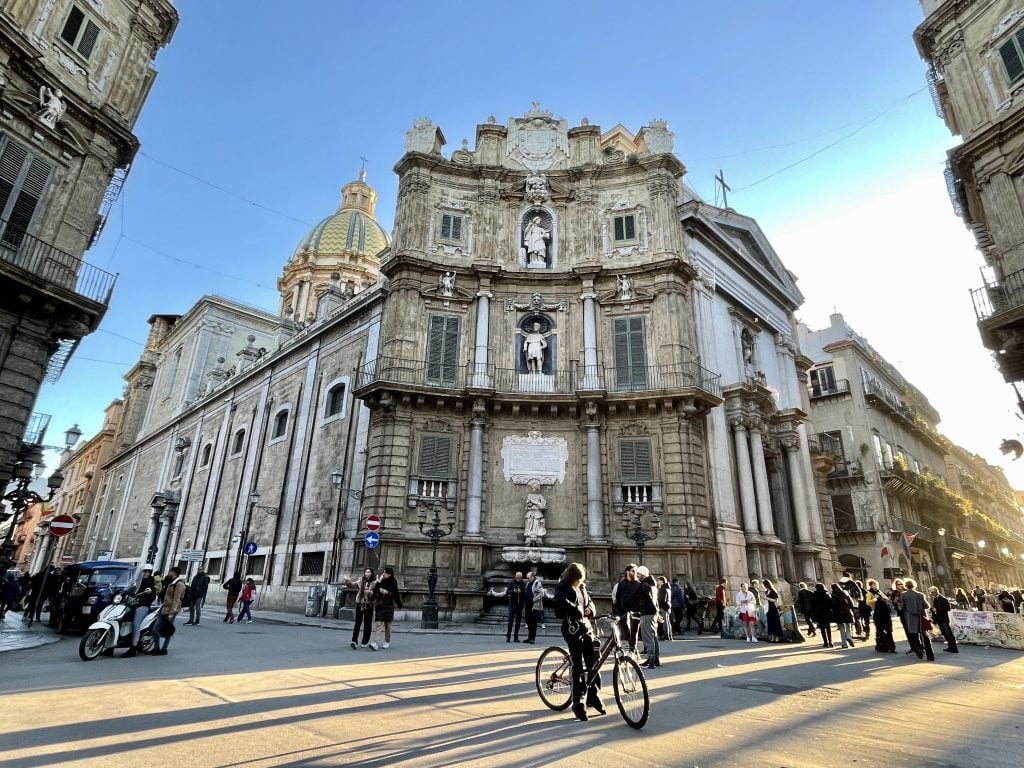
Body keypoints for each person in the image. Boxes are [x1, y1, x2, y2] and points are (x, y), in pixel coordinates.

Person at [552, 562, 603, 721]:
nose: (579, 582)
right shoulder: (562, 587)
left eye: (581, 580)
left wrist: (590, 609)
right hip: (571, 628)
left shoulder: (581, 587)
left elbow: (589, 602)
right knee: (578, 667)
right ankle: (578, 702)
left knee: (593, 663)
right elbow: (558, 604)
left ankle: (593, 696)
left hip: (586, 627)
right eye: (577, 580)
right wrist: (576, 609)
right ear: (572, 577)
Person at [121, 565, 156, 658]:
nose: (146, 573)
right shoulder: (137, 582)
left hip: (143, 606)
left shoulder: (150, 584)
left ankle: (133, 647)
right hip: (131, 605)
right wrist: (121, 592)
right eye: (145, 571)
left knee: (136, 624)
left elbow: (152, 596)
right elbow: (129, 591)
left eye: (148, 572)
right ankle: (110, 647)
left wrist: (142, 600)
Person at [150, 567, 185, 656]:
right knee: (155, 628)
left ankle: (164, 649)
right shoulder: (170, 582)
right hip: (164, 608)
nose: (169, 573)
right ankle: (156, 648)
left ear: (174, 573)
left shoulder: (179, 584)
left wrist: (172, 613)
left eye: (170, 571)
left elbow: (177, 599)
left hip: (170, 610)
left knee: (168, 629)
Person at [368, 566, 402, 651]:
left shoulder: (393, 581)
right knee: (379, 624)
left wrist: (387, 593)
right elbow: (375, 591)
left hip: (389, 606)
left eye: (385, 572)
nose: (383, 573)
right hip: (380, 605)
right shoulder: (381, 580)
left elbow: (395, 594)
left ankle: (387, 641)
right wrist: (379, 582)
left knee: (388, 625)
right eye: (383, 572)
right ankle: (375, 642)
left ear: (389, 574)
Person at [901, 578, 934, 661]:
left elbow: (902, 607)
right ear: (914, 585)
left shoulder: (903, 595)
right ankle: (930, 655)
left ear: (906, 586)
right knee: (925, 636)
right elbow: (927, 606)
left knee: (914, 636)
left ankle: (919, 652)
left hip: (910, 618)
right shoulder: (920, 595)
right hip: (920, 617)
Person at [612, 564, 642, 650]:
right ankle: (625, 650)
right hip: (623, 612)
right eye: (633, 571)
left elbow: (640, 598)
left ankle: (632, 649)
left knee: (634, 632)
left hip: (635, 612)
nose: (635, 573)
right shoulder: (621, 584)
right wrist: (619, 611)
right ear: (627, 572)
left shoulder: (638, 584)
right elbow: (618, 598)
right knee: (624, 632)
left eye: (636, 571)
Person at [347, 567, 376, 649]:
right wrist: (348, 582)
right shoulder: (360, 581)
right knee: (357, 622)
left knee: (367, 623)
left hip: (369, 604)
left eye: (368, 572)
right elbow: (352, 585)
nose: (366, 573)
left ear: (371, 574)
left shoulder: (374, 583)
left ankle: (365, 641)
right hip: (360, 603)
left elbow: (377, 593)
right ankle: (354, 641)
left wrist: (370, 592)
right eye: (365, 572)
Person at [867, 579, 896, 653]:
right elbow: (867, 602)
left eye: (875, 584)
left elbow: (887, 599)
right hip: (878, 613)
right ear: (870, 585)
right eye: (872, 584)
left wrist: (885, 599)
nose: (874, 586)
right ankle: (882, 646)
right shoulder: (869, 593)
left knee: (888, 630)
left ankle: (891, 646)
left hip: (885, 612)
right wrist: (875, 599)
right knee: (880, 630)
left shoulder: (879, 591)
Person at [928, 586, 958, 654]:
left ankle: (954, 647)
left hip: (944, 618)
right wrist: (933, 615)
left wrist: (937, 610)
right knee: (944, 633)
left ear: (937, 591)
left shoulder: (943, 599)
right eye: (931, 592)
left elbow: (947, 608)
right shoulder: (935, 599)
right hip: (939, 619)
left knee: (948, 632)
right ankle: (950, 646)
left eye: (934, 592)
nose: (933, 594)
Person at [830, 583, 856, 649]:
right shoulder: (845, 592)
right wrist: (851, 608)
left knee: (841, 628)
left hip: (838, 613)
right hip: (847, 611)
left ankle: (844, 644)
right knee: (848, 626)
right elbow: (850, 602)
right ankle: (848, 636)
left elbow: (833, 604)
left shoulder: (833, 595)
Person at [810, 582, 834, 648]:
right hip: (826, 612)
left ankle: (825, 642)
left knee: (822, 628)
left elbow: (812, 605)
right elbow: (831, 604)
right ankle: (830, 641)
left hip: (819, 613)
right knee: (828, 628)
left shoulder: (814, 595)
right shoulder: (826, 594)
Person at [505, 571, 526, 643]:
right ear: (515, 577)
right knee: (510, 622)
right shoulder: (511, 583)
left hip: (520, 605)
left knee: (518, 622)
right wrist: (513, 591)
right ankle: (508, 637)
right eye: (517, 577)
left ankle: (516, 637)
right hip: (512, 605)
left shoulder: (523, 583)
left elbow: (525, 592)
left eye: (519, 578)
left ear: (521, 577)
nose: (518, 579)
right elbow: (507, 592)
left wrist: (521, 591)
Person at [525, 573, 546, 644]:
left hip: (534, 605)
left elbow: (541, 594)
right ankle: (529, 637)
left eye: (529, 578)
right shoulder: (528, 583)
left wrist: (534, 599)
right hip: (527, 604)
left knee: (533, 622)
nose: (528, 579)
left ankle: (532, 638)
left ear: (532, 577)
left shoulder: (537, 583)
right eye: (527, 578)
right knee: (528, 621)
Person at [656, 576, 673, 642]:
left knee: (664, 622)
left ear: (662, 581)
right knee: (667, 622)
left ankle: (666, 636)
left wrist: (659, 606)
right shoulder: (668, 588)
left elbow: (662, 599)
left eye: (659, 580)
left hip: (663, 607)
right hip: (667, 606)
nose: (658, 582)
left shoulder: (663, 589)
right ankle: (669, 635)